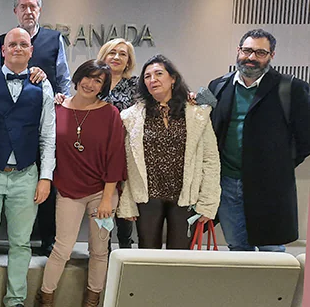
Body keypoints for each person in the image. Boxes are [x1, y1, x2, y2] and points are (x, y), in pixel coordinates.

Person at [0, 28, 55, 307]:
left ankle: (15, 300)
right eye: (12, 44)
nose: (18, 48)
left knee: (21, 244)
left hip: (26, 177)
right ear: (3, 50)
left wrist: (45, 177)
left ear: (31, 51)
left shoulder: (43, 86)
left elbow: (48, 136)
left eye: (24, 44)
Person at [208, 29, 310, 251]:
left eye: (260, 52)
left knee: (271, 251)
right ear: (238, 51)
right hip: (227, 184)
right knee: (237, 249)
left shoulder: (291, 88)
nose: (252, 58)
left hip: (270, 186)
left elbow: (306, 138)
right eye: (247, 50)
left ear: (271, 56)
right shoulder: (219, 86)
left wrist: (280, 164)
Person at [36, 60, 126, 307]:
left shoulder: (110, 113)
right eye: (88, 77)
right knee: (62, 248)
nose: (90, 83)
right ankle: (45, 297)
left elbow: (116, 157)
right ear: (78, 77)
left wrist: (108, 199)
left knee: (99, 250)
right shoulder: (57, 108)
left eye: (98, 80)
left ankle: (92, 300)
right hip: (68, 191)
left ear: (103, 87)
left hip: (102, 193)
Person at [0, 0, 70, 255]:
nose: (28, 11)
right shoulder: (1, 39)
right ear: (15, 11)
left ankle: (47, 239)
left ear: (40, 10)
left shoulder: (54, 39)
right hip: (7, 121)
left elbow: (64, 77)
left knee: (45, 175)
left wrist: (63, 101)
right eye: (23, 6)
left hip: (43, 117)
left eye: (33, 6)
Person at [117, 54, 221, 249]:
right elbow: (127, 163)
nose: (152, 80)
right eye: (147, 76)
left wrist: (208, 202)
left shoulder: (196, 113)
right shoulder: (131, 117)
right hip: (148, 197)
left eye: (158, 74)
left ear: (173, 78)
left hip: (184, 197)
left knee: (180, 258)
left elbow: (210, 159)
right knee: (147, 253)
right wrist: (127, 202)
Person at [96, 38, 138, 249]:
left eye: (122, 54)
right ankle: (101, 251)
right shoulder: (93, 82)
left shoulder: (136, 84)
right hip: (95, 153)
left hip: (125, 151)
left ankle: (124, 248)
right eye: (112, 52)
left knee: (123, 202)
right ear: (104, 56)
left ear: (128, 61)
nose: (116, 57)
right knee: (100, 201)